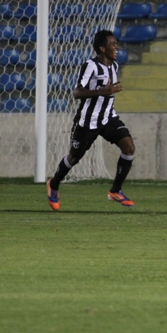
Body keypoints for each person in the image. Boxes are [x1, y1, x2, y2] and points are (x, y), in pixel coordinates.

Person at [46, 29, 136, 211]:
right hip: (88, 120)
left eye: (116, 43)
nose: (116, 47)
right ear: (102, 49)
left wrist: (107, 94)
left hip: (108, 117)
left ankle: (115, 190)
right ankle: (54, 184)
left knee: (129, 147)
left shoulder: (114, 67)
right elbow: (77, 92)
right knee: (74, 157)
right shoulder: (91, 66)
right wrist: (103, 91)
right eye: (112, 44)